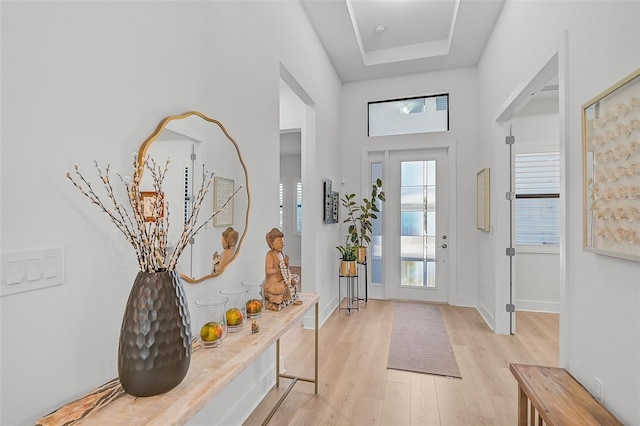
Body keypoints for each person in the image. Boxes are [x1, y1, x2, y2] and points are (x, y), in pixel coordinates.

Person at [263, 228, 300, 311]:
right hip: (274, 282)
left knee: (296, 278)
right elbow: (268, 271)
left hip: (283, 279)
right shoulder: (270, 255)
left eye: (283, 242)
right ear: (272, 243)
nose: (283, 244)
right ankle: (278, 299)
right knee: (280, 288)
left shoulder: (281, 254)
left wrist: (286, 264)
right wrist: (279, 268)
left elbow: (285, 270)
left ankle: (288, 293)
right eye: (280, 242)